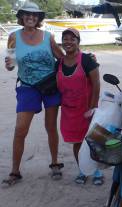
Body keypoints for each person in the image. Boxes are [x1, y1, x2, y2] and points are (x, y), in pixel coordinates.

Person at [3, 1, 64, 185]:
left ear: (38, 18)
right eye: (27, 14)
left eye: (34, 15)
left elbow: (62, 58)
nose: (31, 17)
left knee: (51, 126)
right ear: (21, 17)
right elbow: (10, 66)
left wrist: (84, 58)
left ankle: (54, 163)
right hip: (27, 86)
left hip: (50, 86)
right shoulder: (13, 36)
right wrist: (9, 64)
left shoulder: (48, 37)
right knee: (20, 129)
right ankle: (15, 171)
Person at [57, 28, 103, 185]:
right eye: (65, 39)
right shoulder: (59, 63)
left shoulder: (87, 60)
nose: (68, 42)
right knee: (77, 142)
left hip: (87, 110)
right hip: (69, 110)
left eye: (72, 39)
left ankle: (96, 170)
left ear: (78, 42)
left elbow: (96, 83)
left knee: (91, 142)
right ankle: (82, 170)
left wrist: (93, 107)